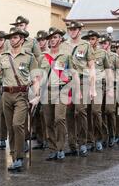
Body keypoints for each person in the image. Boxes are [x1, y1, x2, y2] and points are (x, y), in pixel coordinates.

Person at [0, 27, 39, 171]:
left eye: (15, 37)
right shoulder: (3, 56)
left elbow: (35, 78)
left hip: (21, 95)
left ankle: (20, 156)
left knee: (17, 125)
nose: (12, 40)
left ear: (22, 39)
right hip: (6, 95)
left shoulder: (29, 57)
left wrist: (37, 96)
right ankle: (14, 156)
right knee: (10, 128)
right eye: (11, 38)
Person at [38, 27, 79, 161]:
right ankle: (53, 148)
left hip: (62, 90)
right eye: (50, 38)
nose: (52, 40)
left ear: (60, 39)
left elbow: (74, 74)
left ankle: (61, 148)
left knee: (59, 119)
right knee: (48, 121)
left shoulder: (66, 56)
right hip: (46, 91)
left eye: (55, 37)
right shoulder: (42, 57)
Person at [61, 21, 96, 157]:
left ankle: (82, 143)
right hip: (67, 82)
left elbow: (92, 67)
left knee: (81, 111)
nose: (72, 31)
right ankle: (72, 145)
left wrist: (93, 88)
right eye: (70, 29)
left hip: (82, 81)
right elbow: (59, 64)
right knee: (68, 113)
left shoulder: (85, 45)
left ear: (80, 30)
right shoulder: (63, 45)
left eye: (75, 29)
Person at [82, 30, 112, 152]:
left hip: (98, 86)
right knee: (87, 113)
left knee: (96, 112)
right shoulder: (82, 53)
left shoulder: (103, 53)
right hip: (85, 85)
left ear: (97, 40)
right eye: (88, 39)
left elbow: (108, 70)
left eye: (93, 39)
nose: (90, 41)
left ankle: (99, 138)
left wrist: (109, 88)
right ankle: (90, 140)